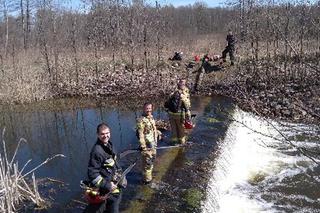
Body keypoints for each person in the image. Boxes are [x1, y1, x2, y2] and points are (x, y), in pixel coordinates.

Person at [84, 123, 126, 213]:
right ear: (98, 134)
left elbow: (114, 162)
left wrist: (121, 175)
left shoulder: (109, 145)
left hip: (115, 187)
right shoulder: (97, 151)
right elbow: (92, 174)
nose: (105, 136)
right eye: (102, 134)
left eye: (107, 133)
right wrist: (107, 185)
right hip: (106, 190)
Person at [136, 103, 161, 184]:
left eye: (150, 108)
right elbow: (141, 134)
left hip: (153, 144)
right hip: (147, 146)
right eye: (147, 108)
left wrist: (158, 133)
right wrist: (143, 147)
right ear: (143, 109)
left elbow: (152, 129)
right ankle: (147, 181)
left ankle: (146, 176)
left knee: (152, 161)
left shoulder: (151, 118)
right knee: (148, 163)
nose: (149, 110)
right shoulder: (141, 120)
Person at [165, 79, 191, 144]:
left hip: (171, 114)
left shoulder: (173, 92)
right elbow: (187, 106)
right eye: (182, 83)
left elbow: (167, 104)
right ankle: (182, 144)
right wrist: (189, 118)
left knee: (174, 130)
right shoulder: (184, 94)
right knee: (181, 131)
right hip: (180, 115)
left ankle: (174, 143)